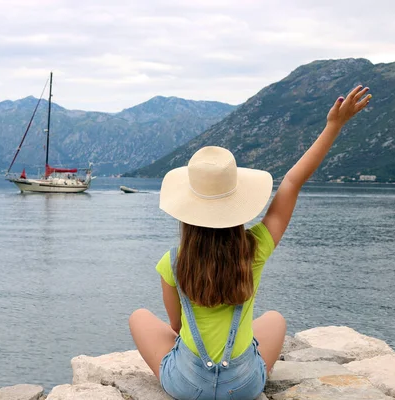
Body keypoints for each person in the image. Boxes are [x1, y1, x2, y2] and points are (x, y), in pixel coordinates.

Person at [129, 85, 372, 400]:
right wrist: (333, 126)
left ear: (186, 212)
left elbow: (176, 326)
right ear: (237, 205)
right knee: (275, 320)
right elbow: (292, 182)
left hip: (187, 386)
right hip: (242, 387)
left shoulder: (173, 262)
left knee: (139, 317)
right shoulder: (254, 248)